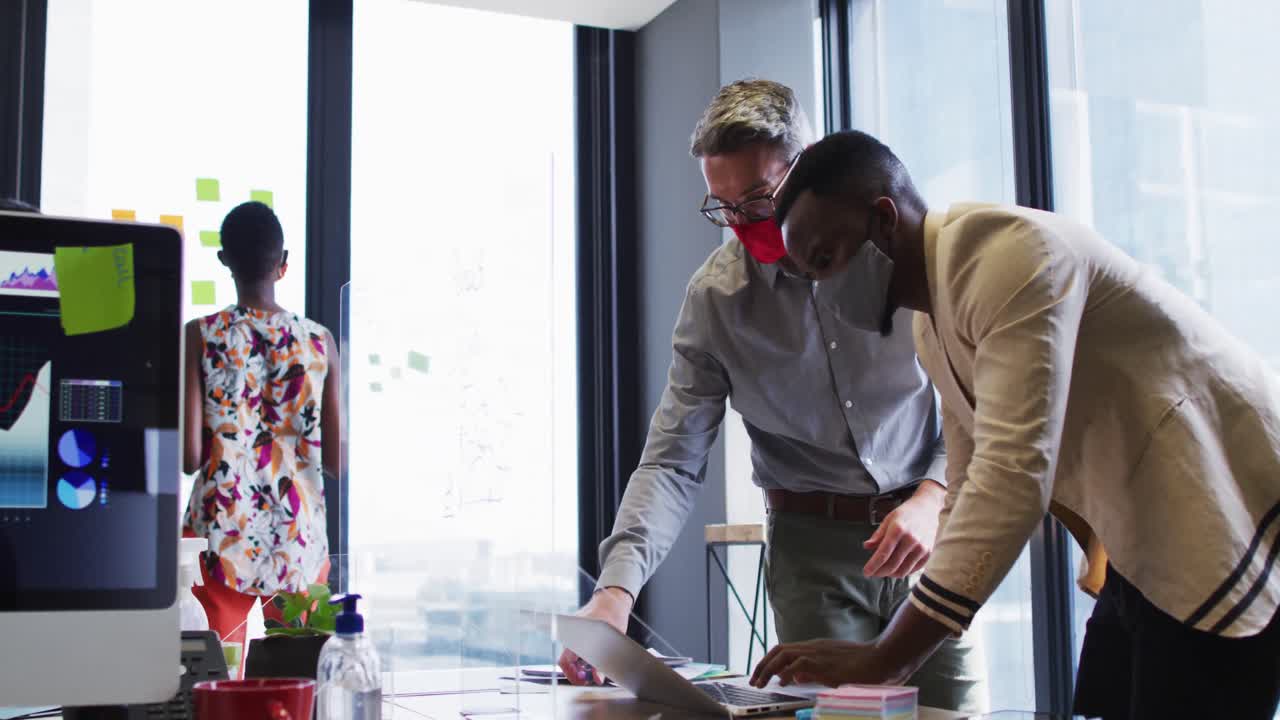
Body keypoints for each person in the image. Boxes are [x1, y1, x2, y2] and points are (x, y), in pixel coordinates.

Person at [752, 130, 1280, 718]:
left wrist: (887, 655)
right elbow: (969, 477)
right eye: (810, 275)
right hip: (1145, 526)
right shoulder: (933, 324)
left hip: (1224, 505)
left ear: (882, 219)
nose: (824, 290)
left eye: (825, 260)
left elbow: (1012, 476)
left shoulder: (1010, 255)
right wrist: (890, 647)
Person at [557, 81, 985, 712]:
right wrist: (616, 592)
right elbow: (672, 460)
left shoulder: (895, 253)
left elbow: (972, 393)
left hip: (932, 532)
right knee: (835, 717)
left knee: (954, 714)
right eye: (722, 207)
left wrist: (936, 492)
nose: (742, 224)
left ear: (806, 166)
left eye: (758, 199)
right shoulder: (715, 301)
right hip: (812, 549)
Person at [181, 201, 341, 663]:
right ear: (284, 264)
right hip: (297, 538)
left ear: (224, 259)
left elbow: (191, 456)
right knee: (299, 677)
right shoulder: (318, 341)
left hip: (221, 535)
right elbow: (335, 461)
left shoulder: (201, 334)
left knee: (213, 678)